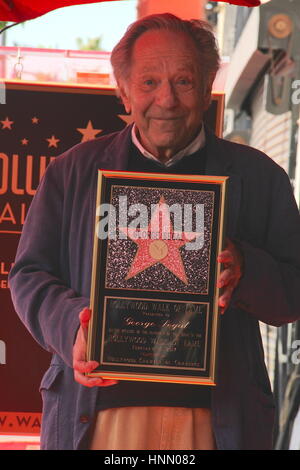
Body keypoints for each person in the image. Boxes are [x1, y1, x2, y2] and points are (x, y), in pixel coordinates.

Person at [8, 13, 300, 450]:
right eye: (148, 83)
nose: (166, 99)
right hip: (100, 422)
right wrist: (73, 327)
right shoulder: (73, 172)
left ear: (205, 90)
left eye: (183, 81)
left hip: (215, 424)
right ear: (124, 91)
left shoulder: (259, 178)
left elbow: (293, 290)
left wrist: (246, 270)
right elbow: (28, 276)